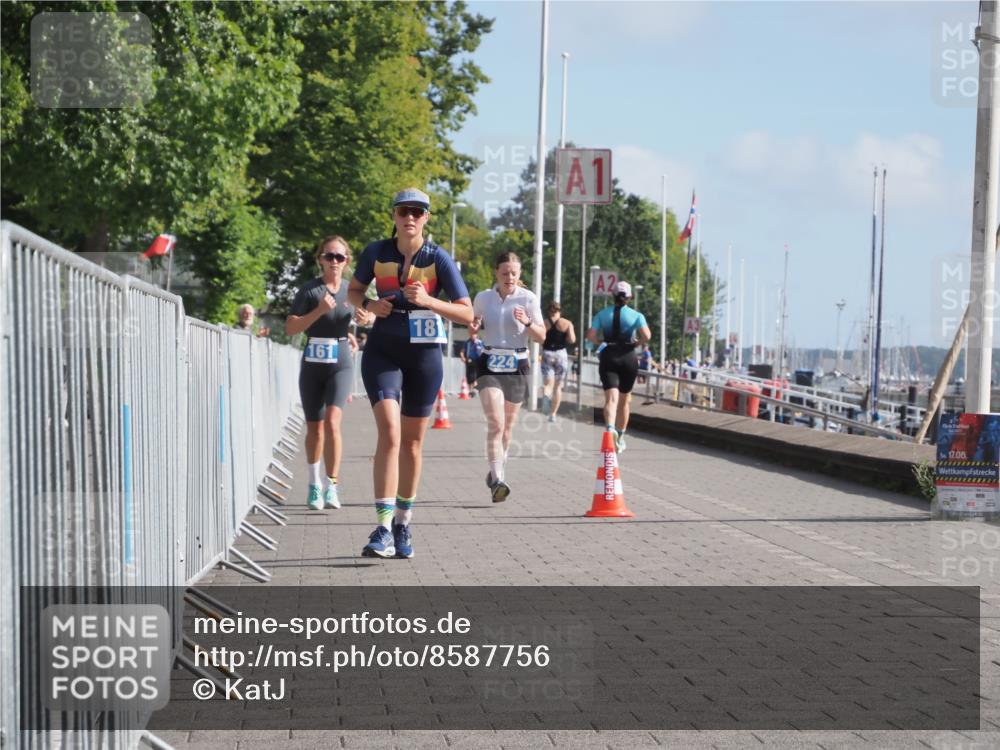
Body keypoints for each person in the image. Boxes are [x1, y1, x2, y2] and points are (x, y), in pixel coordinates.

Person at [348, 188, 472, 558]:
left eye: (418, 212)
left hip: (424, 357)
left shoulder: (438, 258)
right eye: (404, 211)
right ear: (394, 215)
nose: (410, 217)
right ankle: (382, 528)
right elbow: (353, 291)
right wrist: (370, 303)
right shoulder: (376, 252)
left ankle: (403, 523)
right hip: (383, 350)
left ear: (426, 218)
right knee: (389, 432)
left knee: (413, 443)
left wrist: (430, 301)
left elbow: (466, 313)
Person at [285, 236, 365, 511]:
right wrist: (318, 311)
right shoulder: (309, 291)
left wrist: (368, 318)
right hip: (313, 363)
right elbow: (291, 328)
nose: (334, 261)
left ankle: (332, 485)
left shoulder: (351, 291)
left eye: (339, 257)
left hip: (340, 361)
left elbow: (370, 311)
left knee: (332, 422)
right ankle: (313, 484)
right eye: (329, 256)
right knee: (315, 428)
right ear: (320, 259)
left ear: (347, 261)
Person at [470, 252, 545, 502]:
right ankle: (498, 481)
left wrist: (527, 322)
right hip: (490, 363)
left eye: (514, 273)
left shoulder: (528, 299)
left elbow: (541, 336)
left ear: (519, 274)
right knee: (496, 424)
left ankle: (496, 471)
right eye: (505, 272)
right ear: (496, 273)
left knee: (508, 429)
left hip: (517, 364)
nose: (509, 277)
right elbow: (473, 323)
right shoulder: (483, 298)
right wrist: (473, 326)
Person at [587, 280, 651, 454]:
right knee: (624, 401)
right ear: (630, 297)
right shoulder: (636, 315)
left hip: (609, 355)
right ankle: (621, 438)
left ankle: (609, 429)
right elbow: (647, 335)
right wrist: (638, 342)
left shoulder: (602, 314)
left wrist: (600, 341)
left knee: (611, 399)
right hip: (628, 357)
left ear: (612, 295)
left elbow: (590, 335)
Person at [540, 301, 576, 422]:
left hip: (547, 353)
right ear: (560, 311)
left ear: (549, 311)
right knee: (558, 387)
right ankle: (553, 414)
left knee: (548, 384)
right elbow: (572, 339)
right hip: (561, 354)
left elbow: (538, 338)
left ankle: (545, 396)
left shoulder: (544, 323)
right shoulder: (567, 323)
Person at [460, 328, 485, 395]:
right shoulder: (467, 342)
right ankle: (470, 390)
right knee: (469, 375)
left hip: (477, 360)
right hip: (469, 360)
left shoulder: (480, 342)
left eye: (474, 334)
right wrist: (463, 357)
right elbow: (462, 351)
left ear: (476, 335)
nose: (472, 336)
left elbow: (483, 351)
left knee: (476, 375)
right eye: (471, 334)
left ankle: (474, 389)